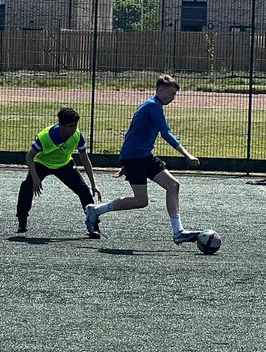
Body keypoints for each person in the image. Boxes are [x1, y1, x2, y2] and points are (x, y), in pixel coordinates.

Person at [84, 74, 201, 243]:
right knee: (141, 201)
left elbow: (133, 132)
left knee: (173, 185)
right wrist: (187, 154)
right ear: (160, 90)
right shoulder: (153, 106)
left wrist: (126, 161)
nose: (173, 98)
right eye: (171, 94)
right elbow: (165, 133)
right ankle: (96, 210)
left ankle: (178, 232)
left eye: (174, 95)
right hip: (136, 158)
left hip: (142, 156)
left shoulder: (151, 105)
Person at [16, 106, 102, 236]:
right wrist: (35, 178)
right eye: (70, 126)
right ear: (61, 125)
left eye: (75, 125)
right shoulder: (45, 137)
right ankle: (22, 221)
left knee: (84, 190)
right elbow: (29, 157)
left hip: (64, 164)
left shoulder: (77, 135)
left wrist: (93, 184)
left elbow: (85, 159)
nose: (74, 129)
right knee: (26, 187)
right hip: (42, 163)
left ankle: (94, 225)